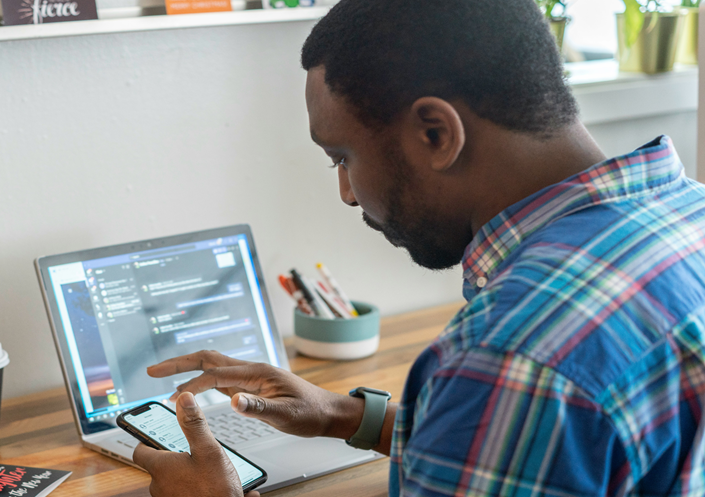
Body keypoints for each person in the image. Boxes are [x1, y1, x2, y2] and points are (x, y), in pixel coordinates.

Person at [131, 0, 705, 495]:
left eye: (342, 158)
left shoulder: (513, 354)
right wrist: (346, 415)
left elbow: (521, 394)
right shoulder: (689, 216)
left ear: (436, 133)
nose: (347, 194)